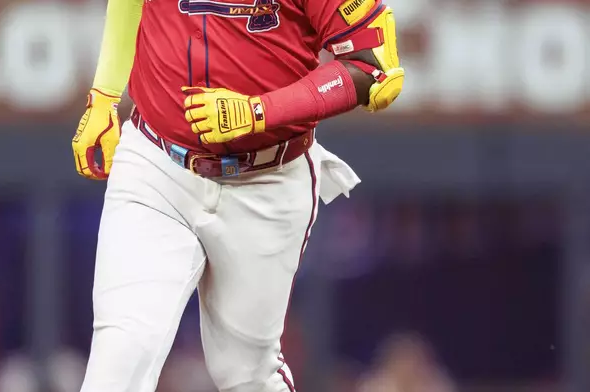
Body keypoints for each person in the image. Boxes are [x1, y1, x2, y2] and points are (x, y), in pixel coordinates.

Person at [70, 0, 405, 389]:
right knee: (122, 352)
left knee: (246, 374)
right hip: (156, 164)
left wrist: (260, 111)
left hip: (267, 179)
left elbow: (376, 70)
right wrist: (105, 94)